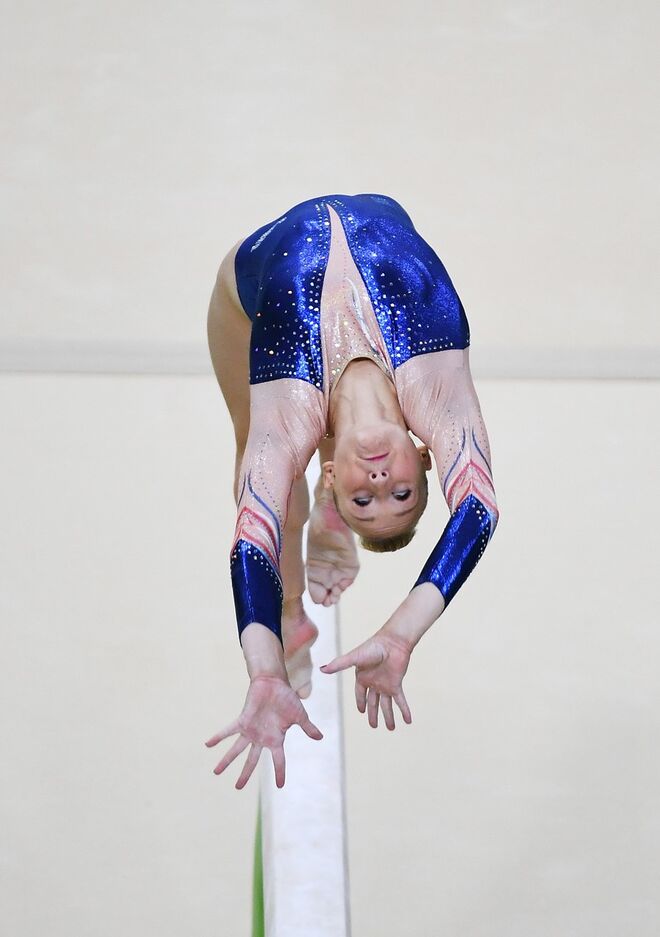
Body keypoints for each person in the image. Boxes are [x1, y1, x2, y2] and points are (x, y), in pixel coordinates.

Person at [204, 193, 499, 789]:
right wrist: (399, 634)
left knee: (262, 477)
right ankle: (335, 524)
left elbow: (249, 546)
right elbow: (479, 510)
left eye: (365, 498)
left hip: (247, 291)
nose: (382, 483)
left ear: (340, 476)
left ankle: (293, 616)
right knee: (296, 452)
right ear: (424, 457)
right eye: (403, 494)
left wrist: (264, 669)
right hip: (387, 220)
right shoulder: (437, 391)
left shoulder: (289, 412)